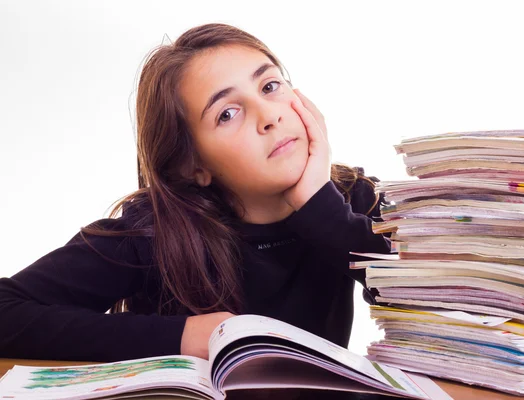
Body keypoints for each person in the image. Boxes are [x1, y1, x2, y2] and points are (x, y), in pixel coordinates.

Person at [0, 23, 390, 366]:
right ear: (194, 166)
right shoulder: (152, 232)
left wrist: (320, 209)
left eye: (270, 86)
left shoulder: (353, 199)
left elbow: (442, 305)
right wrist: (183, 336)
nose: (269, 116)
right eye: (227, 113)